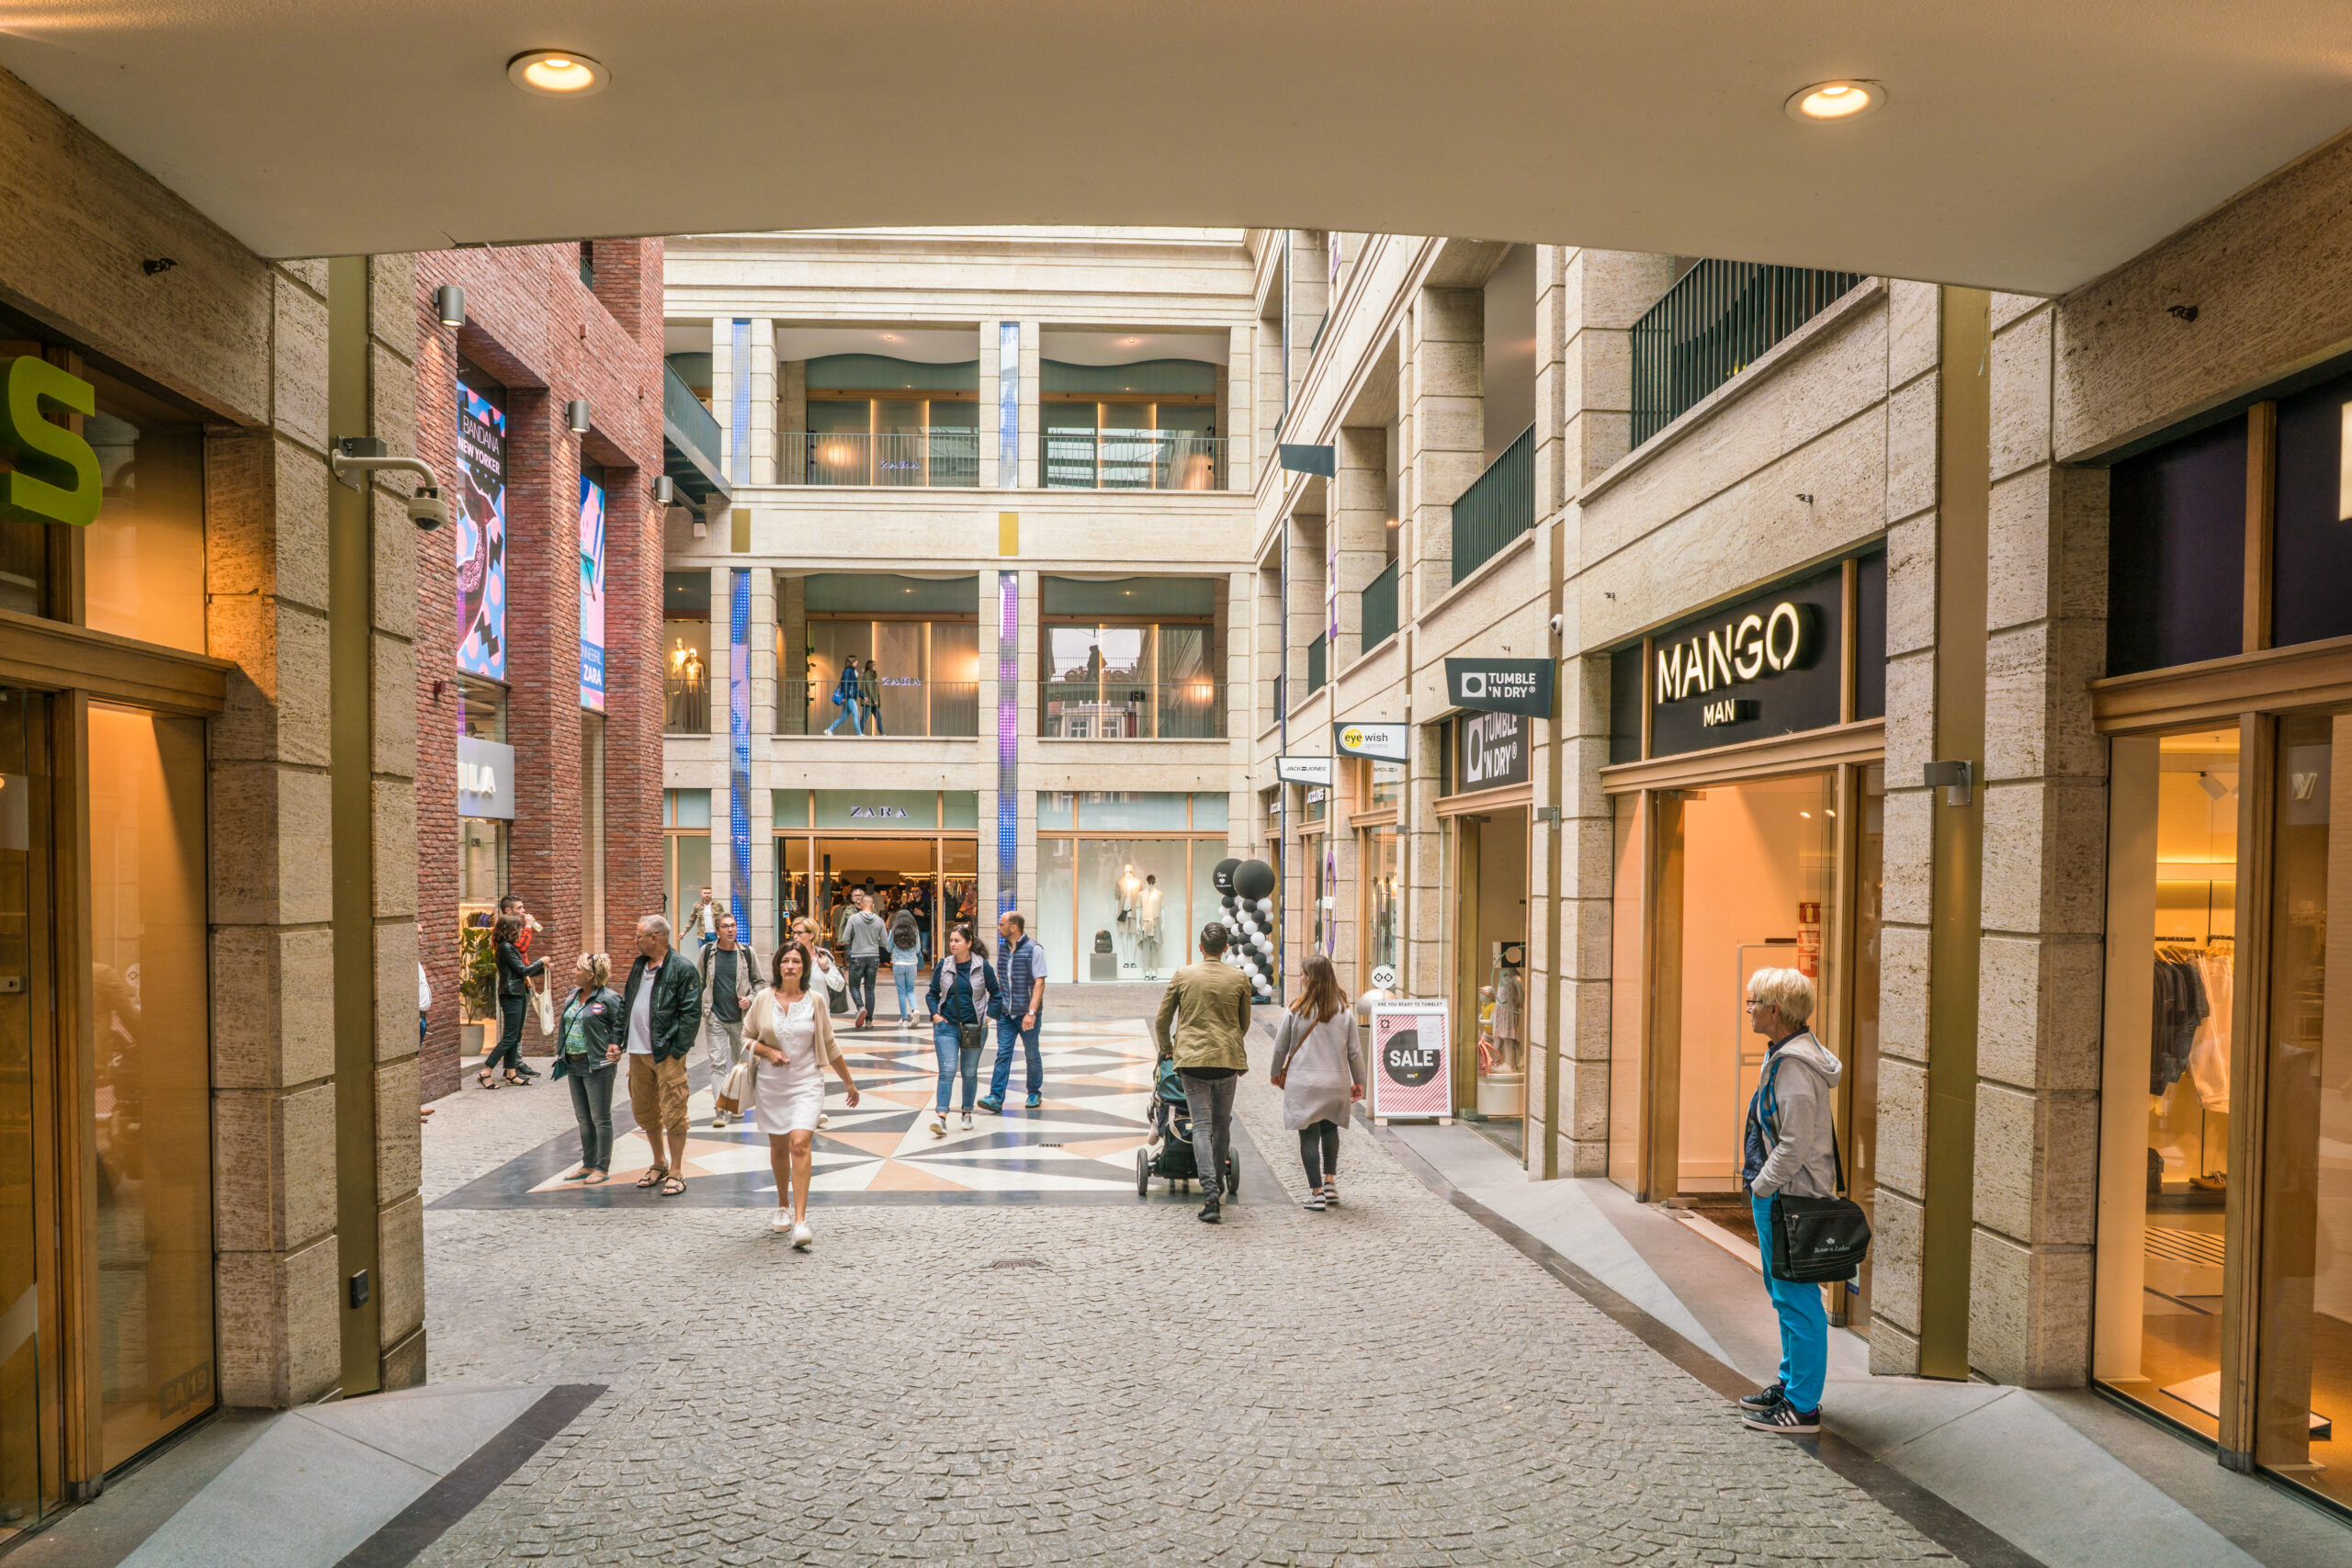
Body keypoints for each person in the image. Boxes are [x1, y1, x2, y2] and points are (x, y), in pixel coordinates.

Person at [1737, 966, 1842, 1437]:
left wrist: (1763, 1185)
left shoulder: (1795, 1066)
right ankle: (1790, 1383)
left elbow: (1795, 1143)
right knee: (1785, 1295)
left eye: (1753, 1002)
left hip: (1789, 1196)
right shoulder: (1786, 1053)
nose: (1748, 1009)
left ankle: (1803, 1406)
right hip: (1782, 1195)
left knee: (1798, 1300)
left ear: (1775, 1010)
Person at [743, 940, 862, 1248]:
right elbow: (746, 1037)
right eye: (785, 961)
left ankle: (800, 1221)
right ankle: (782, 1205)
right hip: (771, 1084)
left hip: (807, 1082)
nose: (790, 966)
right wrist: (768, 1051)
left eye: (796, 961)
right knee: (779, 1147)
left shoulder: (815, 1001)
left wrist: (849, 1082)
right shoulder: (763, 999)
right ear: (777, 966)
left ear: (804, 967)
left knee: (799, 1142)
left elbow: (830, 1044)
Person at [1153, 921, 1250, 1224]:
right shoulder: (1239, 978)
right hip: (1226, 1060)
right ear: (1226, 948)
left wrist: (1167, 1048)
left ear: (1200, 947)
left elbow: (1162, 1019)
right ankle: (1217, 1184)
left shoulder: (1183, 975)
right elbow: (1244, 1022)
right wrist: (1230, 1041)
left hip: (1192, 1062)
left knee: (1201, 1126)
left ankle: (1209, 1195)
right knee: (1221, 1126)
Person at [1268, 953, 1364, 1211]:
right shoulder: (1344, 1011)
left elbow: (1280, 1047)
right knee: (1330, 1129)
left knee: (1308, 1136)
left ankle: (1317, 1192)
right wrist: (1359, 1081)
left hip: (1304, 1082)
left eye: (1303, 974)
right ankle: (1330, 1182)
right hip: (1335, 1082)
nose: (1300, 977)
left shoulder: (1296, 1009)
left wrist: (1276, 1072)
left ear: (1311, 979)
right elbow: (1355, 1052)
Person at [619, 914, 703, 1198]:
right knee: (644, 1110)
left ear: (654, 938)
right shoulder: (639, 966)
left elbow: (691, 1014)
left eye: (639, 936)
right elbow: (627, 1004)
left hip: (666, 1053)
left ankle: (677, 1170)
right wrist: (618, 1040)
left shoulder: (682, 968)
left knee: (674, 1111)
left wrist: (675, 1050)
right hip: (638, 1051)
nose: (635, 941)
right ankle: (659, 1162)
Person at [552, 953, 624, 1184]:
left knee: (600, 1118)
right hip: (573, 1064)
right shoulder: (573, 995)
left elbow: (622, 1025)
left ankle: (602, 1167)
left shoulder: (609, 998)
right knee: (583, 1118)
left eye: (577, 968)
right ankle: (588, 1164)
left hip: (597, 1066)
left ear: (591, 975)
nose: (572, 971)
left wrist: (617, 1046)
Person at [925, 924, 1001, 1137]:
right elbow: (932, 993)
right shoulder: (944, 965)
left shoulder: (982, 966)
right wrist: (936, 1015)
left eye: (957, 941)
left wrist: (988, 1015)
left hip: (974, 1028)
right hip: (947, 1027)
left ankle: (967, 1113)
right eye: (951, 940)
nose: (952, 944)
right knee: (947, 1071)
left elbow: (996, 993)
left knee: (969, 1072)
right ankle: (941, 1117)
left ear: (968, 943)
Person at [979, 910, 1046, 1112]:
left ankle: (1034, 1092)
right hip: (1006, 1014)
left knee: (1031, 1054)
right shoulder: (1003, 949)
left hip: (1027, 1015)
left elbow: (1040, 982)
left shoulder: (1034, 949)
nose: (999, 927)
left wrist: (1031, 1013)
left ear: (1013, 927)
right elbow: (1000, 980)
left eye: (1002, 924)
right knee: (1003, 1054)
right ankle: (996, 1097)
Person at [699, 910, 758, 1127]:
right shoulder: (707, 952)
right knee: (718, 1064)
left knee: (741, 1064)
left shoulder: (747, 953)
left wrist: (750, 999)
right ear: (717, 931)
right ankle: (720, 1109)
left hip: (741, 1020)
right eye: (725, 926)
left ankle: (737, 1104)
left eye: (732, 925)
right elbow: (699, 982)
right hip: (715, 1016)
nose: (730, 930)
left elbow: (760, 983)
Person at [482, 912, 544, 1089]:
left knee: (515, 1035)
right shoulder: (506, 948)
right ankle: (486, 1071)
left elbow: (520, 971)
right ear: (510, 930)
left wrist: (542, 968)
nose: (521, 932)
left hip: (518, 991)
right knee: (510, 1036)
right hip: (511, 994)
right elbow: (522, 970)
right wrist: (540, 962)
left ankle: (511, 1073)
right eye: (519, 929)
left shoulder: (509, 947)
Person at [839, 888, 887, 1029]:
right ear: (872, 905)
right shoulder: (879, 921)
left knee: (854, 986)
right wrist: (874, 939)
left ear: (861, 904)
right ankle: (869, 1021)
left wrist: (855, 938)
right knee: (870, 989)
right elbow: (884, 942)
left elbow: (845, 938)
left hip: (857, 956)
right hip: (873, 957)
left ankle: (860, 1007)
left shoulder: (853, 919)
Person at [888, 909, 926, 1027]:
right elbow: (918, 949)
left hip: (898, 963)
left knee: (901, 991)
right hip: (912, 964)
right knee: (910, 990)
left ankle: (904, 1019)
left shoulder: (893, 931)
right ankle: (915, 1009)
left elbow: (888, 948)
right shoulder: (915, 931)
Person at [821, 659, 865, 736]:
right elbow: (845, 684)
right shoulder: (849, 671)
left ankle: (829, 730)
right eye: (855, 661)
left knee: (844, 717)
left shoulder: (850, 671)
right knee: (856, 713)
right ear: (852, 662)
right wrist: (845, 695)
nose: (857, 663)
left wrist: (862, 695)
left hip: (848, 696)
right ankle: (859, 734)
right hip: (849, 696)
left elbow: (854, 687)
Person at [860, 658, 884, 736]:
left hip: (872, 702)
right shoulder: (867, 675)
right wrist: (875, 699)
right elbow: (869, 687)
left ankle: (882, 733)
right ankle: (859, 733)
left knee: (878, 717)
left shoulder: (872, 675)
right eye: (874, 665)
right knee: (865, 718)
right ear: (870, 666)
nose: (875, 666)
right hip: (869, 701)